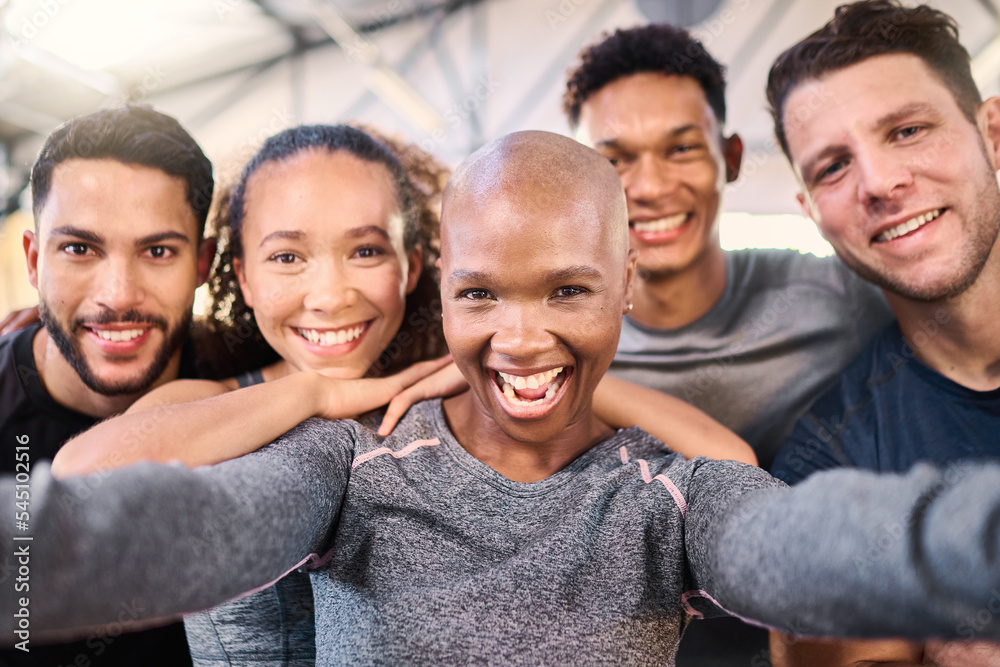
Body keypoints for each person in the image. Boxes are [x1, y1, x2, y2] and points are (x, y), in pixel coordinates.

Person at [4, 131, 1000, 665]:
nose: (520, 332)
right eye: (485, 294)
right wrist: (330, 389)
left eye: (566, 287)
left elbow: (788, 538)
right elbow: (148, 519)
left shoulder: (664, 487)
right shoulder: (341, 450)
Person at [561, 24, 895, 665]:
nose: (651, 186)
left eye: (681, 149)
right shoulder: (551, 348)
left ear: (732, 157)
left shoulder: (839, 299)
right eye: (615, 159)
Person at [765, 2, 1000, 665]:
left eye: (908, 130)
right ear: (812, 212)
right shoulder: (829, 467)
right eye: (833, 166)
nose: (880, 183)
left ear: (992, 131)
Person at [0, 106, 214, 665]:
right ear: (33, 259)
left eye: (158, 251)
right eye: (78, 249)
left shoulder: (256, 373)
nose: (118, 295)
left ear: (203, 263)